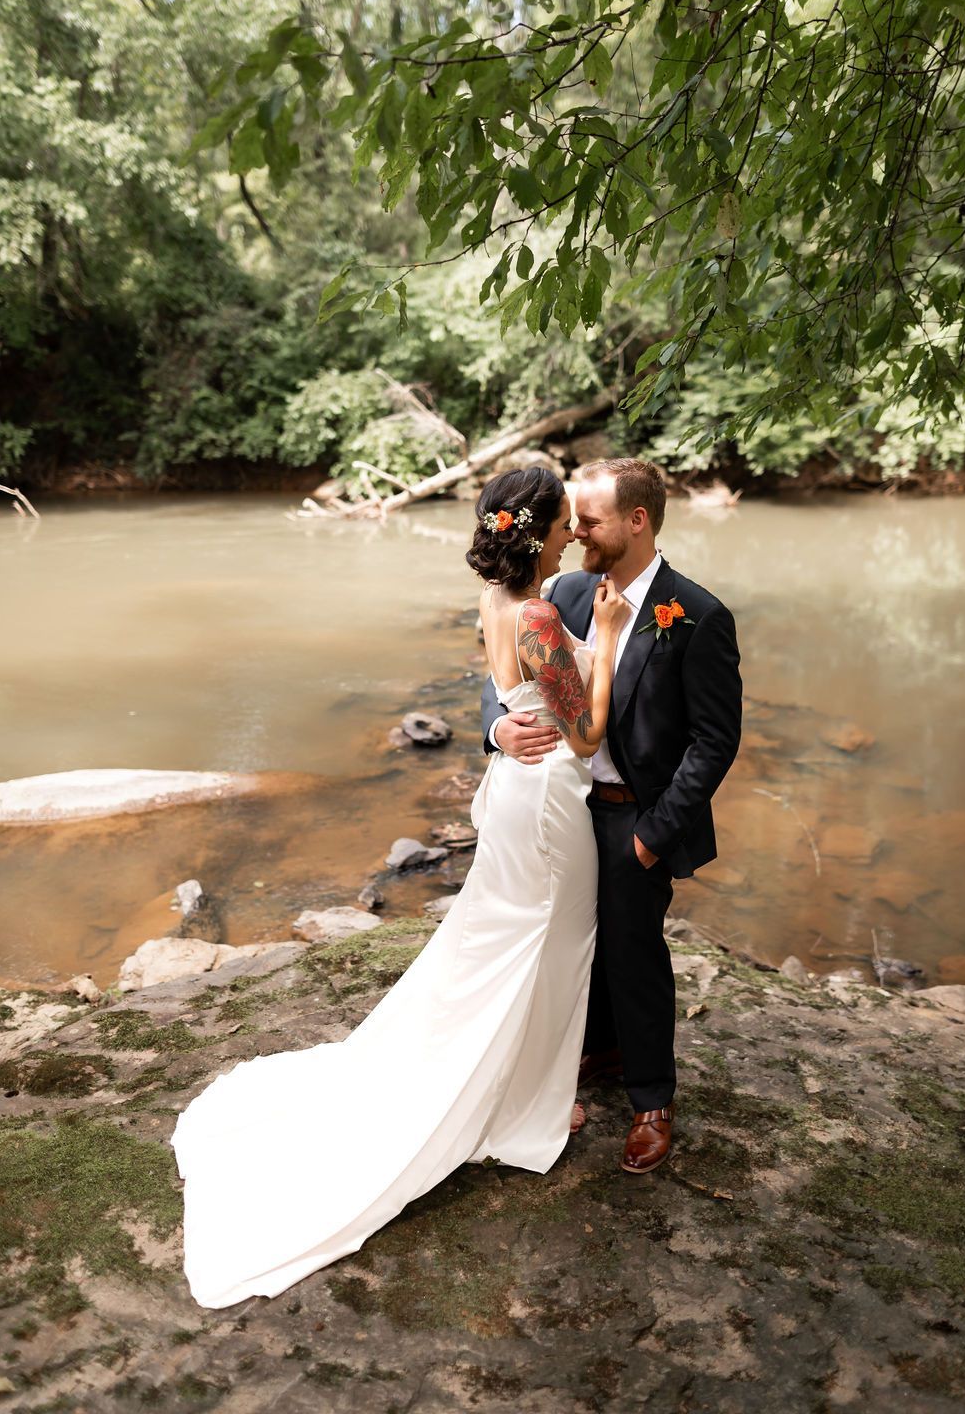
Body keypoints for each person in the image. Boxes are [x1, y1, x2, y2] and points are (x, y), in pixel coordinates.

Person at [170, 465, 630, 1309]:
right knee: (550, 946)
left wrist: (506, 717)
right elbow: (586, 725)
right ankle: (524, 1106)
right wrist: (598, 642)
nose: (573, 530)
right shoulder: (538, 614)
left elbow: (509, 693)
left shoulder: (497, 606)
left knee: (508, 944)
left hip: (521, 799)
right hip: (547, 810)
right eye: (564, 520)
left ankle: (526, 1092)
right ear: (538, 533)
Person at [482, 457, 742, 1175]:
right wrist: (496, 730)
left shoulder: (696, 615)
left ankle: (651, 1102)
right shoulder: (560, 591)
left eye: (588, 519)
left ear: (638, 520)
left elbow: (716, 741)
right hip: (561, 806)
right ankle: (599, 1046)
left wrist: (655, 838)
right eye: (573, 519)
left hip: (635, 817)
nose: (576, 530)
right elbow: (505, 671)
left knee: (632, 950)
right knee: (566, 942)